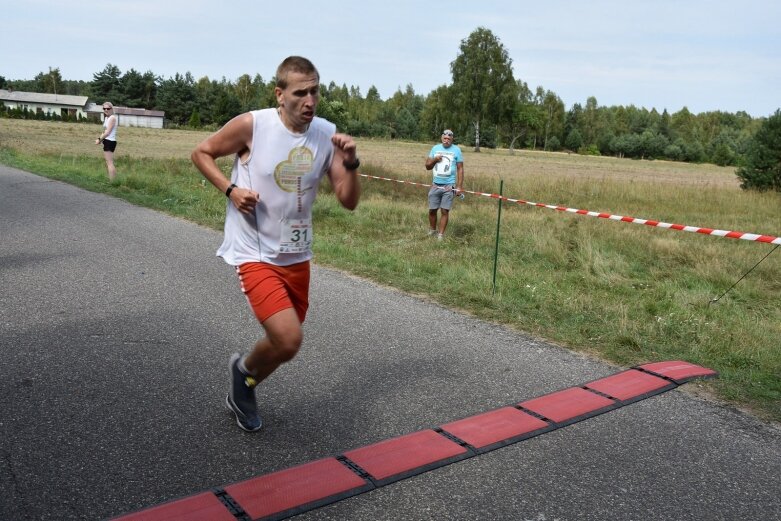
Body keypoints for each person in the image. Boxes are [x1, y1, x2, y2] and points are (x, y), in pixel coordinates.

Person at [191, 56, 361, 432]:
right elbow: (201, 153)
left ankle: (244, 377)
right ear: (280, 94)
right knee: (288, 339)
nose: (310, 101)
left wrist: (349, 163)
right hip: (254, 251)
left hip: (297, 254)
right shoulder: (254, 125)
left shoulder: (326, 134)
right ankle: (244, 383)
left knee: (283, 342)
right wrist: (231, 189)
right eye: (301, 92)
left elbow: (348, 201)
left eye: (315, 91)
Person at [424, 129, 464, 240]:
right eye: (445, 138)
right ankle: (432, 230)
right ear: (442, 138)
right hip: (435, 185)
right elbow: (427, 166)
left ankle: (440, 235)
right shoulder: (435, 149)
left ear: (452, 139)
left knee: (444, 210)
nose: (447, 141)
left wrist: (459, 186)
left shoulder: (457, 150)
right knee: (432, 210)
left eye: (449, 139)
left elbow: (460, 168)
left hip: (449, 185)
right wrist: (435, 160)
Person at [95, 102, 118, 181]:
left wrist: (99, 139)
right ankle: (112, 179)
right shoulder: (106, 118)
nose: (106, 110)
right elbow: (104, 130)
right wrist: (101, 139)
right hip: (107, 140)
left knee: (110, 163)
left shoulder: (112, 118)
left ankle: (113, 181)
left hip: (110, 141)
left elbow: (107, 132)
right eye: (104, 108)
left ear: (111, 109)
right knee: (108, 162)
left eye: (108, 108)